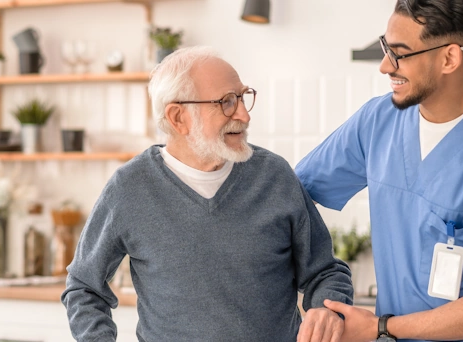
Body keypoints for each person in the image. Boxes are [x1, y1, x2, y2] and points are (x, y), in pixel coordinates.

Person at [295, 1, 463, 341]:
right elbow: (290, 196)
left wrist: (380, 327)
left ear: (449, 58)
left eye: (401, 53)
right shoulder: (377, 122)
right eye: (386, 47)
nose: (386, 65)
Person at [61, 46, 354, 342]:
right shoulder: (129, 188)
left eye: (243, 97)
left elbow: (325, 272)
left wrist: (327, 309)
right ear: (178, 117)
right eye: (226, 102)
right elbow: (84, 287)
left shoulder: (275, 176)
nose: (243, 115)